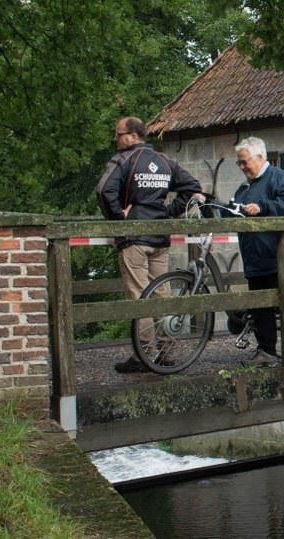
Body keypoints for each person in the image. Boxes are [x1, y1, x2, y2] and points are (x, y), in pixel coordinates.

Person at [96, 116, 203, 373]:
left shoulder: (124, 160)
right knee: (161, 293)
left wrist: (119, 218)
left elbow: (103, 191)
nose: (115, 138)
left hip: (134, 238)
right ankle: (167, 352)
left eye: (118, 134)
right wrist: (167, 212)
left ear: (132, 136)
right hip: (160, 237)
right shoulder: (164, 160)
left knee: (139, 295)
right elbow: (193, 188)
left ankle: (143, 355)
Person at [232, 137, 284, 366]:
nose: (242, 167)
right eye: (239, 163)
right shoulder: (245, 187)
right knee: (261, 307)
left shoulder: (279, 177)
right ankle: (266, 350)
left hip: (279, 256)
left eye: (244, 161)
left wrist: (263, 207)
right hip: (256, 257)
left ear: (260, 157)